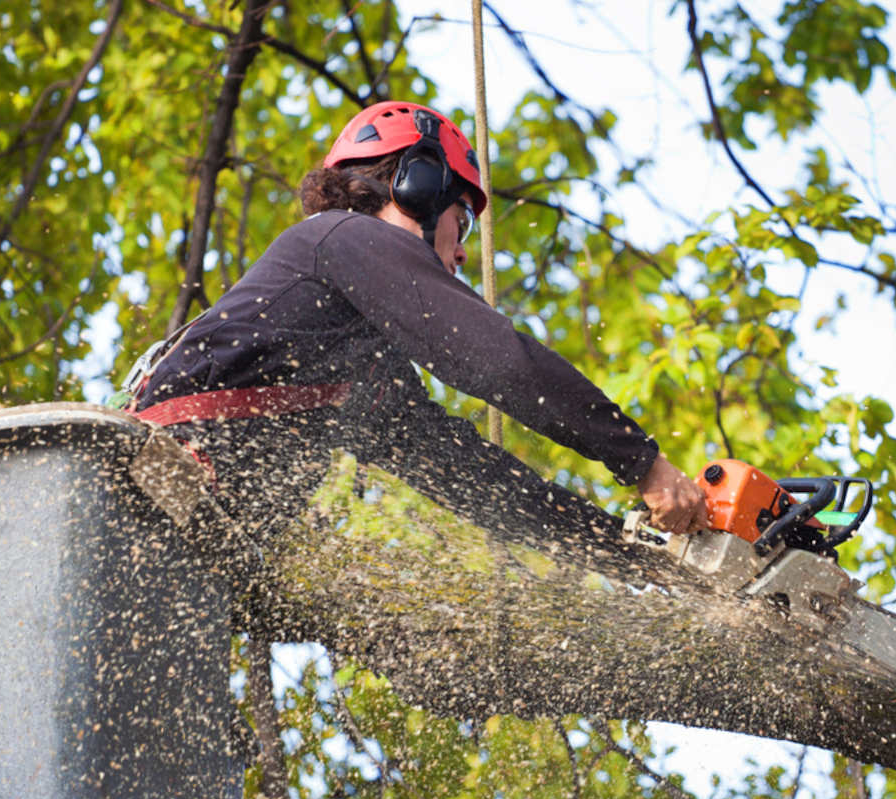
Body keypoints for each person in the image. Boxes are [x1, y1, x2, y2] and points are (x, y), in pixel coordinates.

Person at [128, 100, 708, 544]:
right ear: (418, 187)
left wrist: (623, 546)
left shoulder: (361, 362)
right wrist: (643, 462)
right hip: (146, 492)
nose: (461, 253)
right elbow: (499, 360)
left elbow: (468, 477)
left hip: (180, 534)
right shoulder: (342, 237)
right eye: (464, 220)